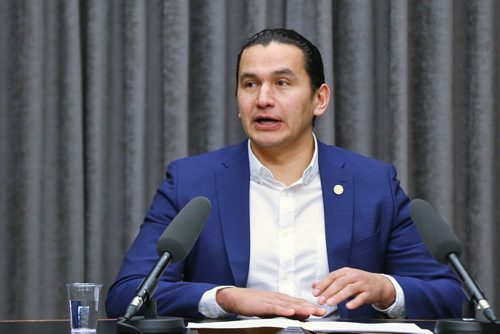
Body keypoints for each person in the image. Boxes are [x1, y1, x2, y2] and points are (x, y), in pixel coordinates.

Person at [106, 28, 465, 321]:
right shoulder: (192, 182)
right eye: (250, 84)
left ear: (319, 99)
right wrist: (225, 298)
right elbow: (129, 295)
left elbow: (449, 295)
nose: (263, 99)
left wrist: (385, 289)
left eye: (281, 83)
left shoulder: (371, 183)